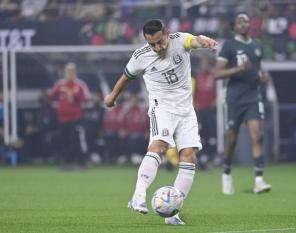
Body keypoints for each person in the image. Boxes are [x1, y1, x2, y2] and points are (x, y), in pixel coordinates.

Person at [104, 19, 217, 225]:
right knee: (160, 145)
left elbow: (196, 41)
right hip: (162, 108)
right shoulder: (140, 56)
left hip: (186, 109)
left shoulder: (180, 40)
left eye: (159, 42)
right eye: (151, 44)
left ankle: (173, 213)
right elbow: (125, 77)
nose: (156, 48)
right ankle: (138, 195)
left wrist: (206, 41)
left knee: (189, 156)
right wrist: (112, 96)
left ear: (166, 34)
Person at [215, 13, 271, 195]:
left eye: (247, 21)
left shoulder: (257, 45)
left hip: (253, 96)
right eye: (240, 21)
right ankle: (226, 173)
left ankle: (259, 180)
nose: (244, 24)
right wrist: (238, 69)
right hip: (234, 98)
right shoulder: (229, 46)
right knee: (231, 139)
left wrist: (263, 76)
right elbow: (217, 74)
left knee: (258, 135)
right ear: (235, 26)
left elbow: (260, 69)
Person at [47, 62, 90, 169]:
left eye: (72, 72)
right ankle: (66, 162)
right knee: (64, 141)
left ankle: (82, 162)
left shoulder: (80, 85)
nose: (70, 74)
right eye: (68, 72)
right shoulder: (60, 84)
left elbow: (87, 98)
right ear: (65, 73)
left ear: (75, 72)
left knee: (77, 140)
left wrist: (73, 96)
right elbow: (50, 96)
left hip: (76, 118)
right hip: (62, 119)